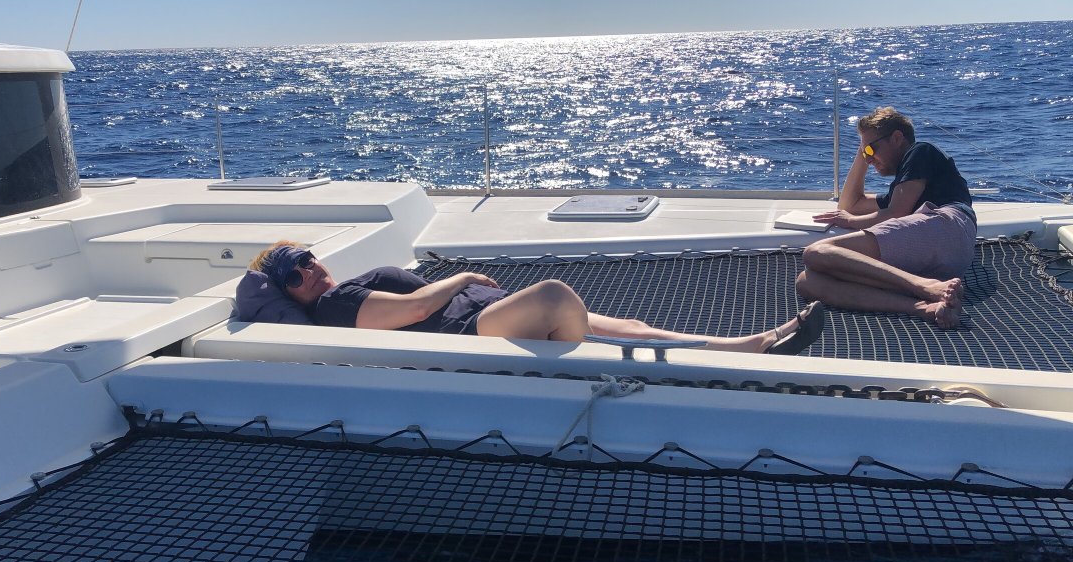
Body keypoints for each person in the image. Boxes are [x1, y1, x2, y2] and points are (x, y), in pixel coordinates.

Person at [244, 241, 826, 355]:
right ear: (290, 293)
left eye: (308, 259)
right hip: (464, 335)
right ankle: (593, 359)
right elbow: (418, 312)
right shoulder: (334, 307)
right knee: (553, 294)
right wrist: (462, 278)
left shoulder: (339, 286)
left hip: (478, 317)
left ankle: (739, 343)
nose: (309, 273)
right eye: (294, 275)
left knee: (629, 321)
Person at [795, 107, 976, 329]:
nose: (869, 160)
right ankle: (925, 307)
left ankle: (925, 286)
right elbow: (850, 204)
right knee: (808, 282)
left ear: (897, 138)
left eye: (871, 150)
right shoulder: (902, 189)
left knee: (816, 253)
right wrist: (864, 153)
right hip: (940, 254)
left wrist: (850, 221)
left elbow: (896, 213)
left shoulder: (920, 152)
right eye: (865, 154)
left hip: (949, 226)